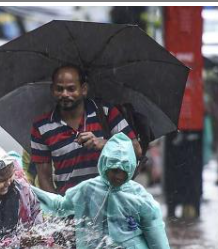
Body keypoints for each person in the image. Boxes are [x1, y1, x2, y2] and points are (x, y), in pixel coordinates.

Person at [31, 133, 178, 249]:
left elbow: (156, 235)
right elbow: (60, 205)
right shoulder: (88, 190)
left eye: (122, 171)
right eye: (113, 170)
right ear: (104, 166)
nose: (117, 176)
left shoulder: (140, 198)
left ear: (131, 169)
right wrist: (28, 189)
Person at [31, 64, 142, 195]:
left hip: (111, 203)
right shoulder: (41, 127)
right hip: (70, 208)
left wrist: (104, 144)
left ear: (84, 89)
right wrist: (58, 208)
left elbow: (136, 150)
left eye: (71, 89)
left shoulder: (106, 113)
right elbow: (44, 178)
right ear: (52, 90)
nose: (65, 94)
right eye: (59, 89)